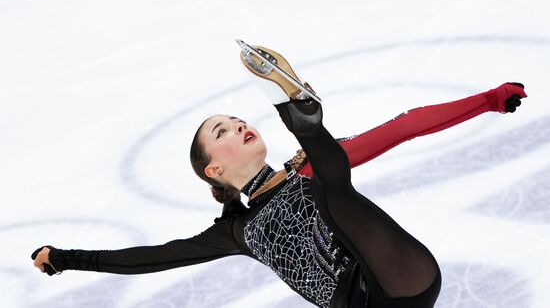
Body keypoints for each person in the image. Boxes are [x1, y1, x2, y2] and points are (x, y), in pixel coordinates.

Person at [32, 43, 527, 308]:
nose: (240, 125)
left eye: (240, 119)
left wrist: (488, 99)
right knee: (325, 175)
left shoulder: (307, 169)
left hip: (401, 273)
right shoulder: (235, 230)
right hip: (358, 304)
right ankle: (302, 111)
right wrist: (69, 259)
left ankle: (304, 115)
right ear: (215, 168)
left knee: (328, 181)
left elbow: (401, 129)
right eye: (223, 130)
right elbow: (152, 258)